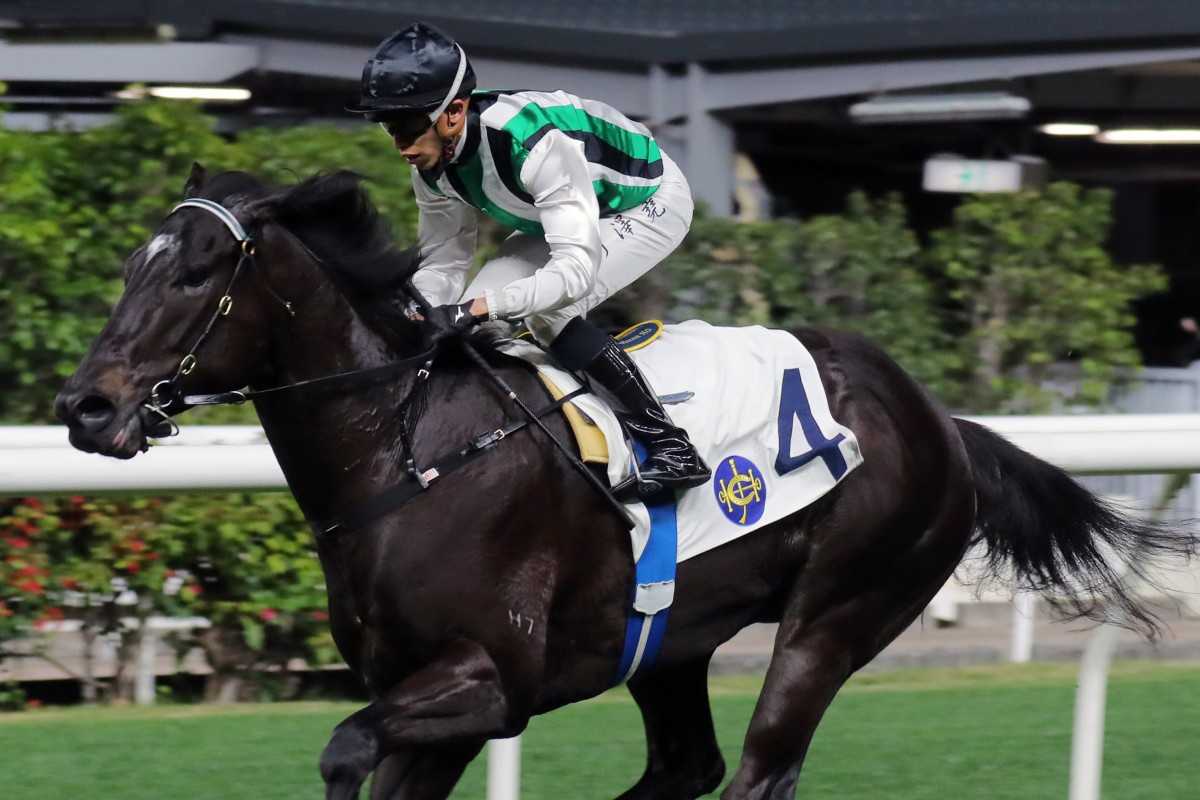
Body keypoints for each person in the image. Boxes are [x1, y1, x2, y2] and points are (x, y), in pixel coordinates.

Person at [347, 22, 710, 500]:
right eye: (391, 128)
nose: (401, 146)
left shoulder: (531, 143)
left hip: (645, 202)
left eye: (410, 128)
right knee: (477, 328)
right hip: (563, 213)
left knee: (546, 311)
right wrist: (416, 314)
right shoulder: (432, 165)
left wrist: (477, 308)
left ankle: (672, 447)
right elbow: (442, 266)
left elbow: (574, 274)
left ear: (454, 112)